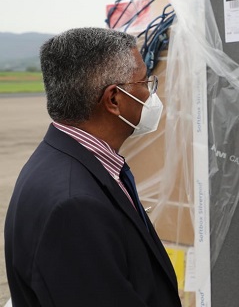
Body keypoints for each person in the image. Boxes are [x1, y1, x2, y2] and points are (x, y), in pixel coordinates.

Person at [4, 28, 182, 307]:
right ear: (114, 99)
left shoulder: (69, 159)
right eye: (145, 82)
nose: (151, 94)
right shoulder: (74, 204)